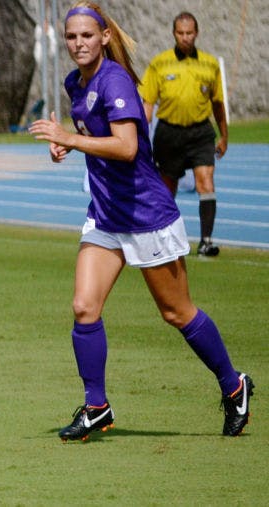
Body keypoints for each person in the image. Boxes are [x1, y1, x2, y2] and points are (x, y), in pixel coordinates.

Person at [28, 2, 252, 442]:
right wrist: (69, 146)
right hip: (107, 214)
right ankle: (96, 407)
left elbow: (128, 147)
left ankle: (233, 384)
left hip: (146, 214)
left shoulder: (116, 80)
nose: (78, 44)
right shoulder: (76, 81)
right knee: (83, 307)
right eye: (72, 37)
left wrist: (70, 138)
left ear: (105, 37)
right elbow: (97, 137)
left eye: (87, 36)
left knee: (176, 312)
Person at [139, 12, 228, 257]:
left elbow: (218, 103)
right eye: (181, 33)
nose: (185, 37)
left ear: (196, 33)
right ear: (174, 34)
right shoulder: (160, 63)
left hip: (200, 133)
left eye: (190, 33)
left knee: (206, 183)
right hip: (169, 134)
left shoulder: (209, 64)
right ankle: (164, 240)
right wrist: (141, 137)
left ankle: (206, 241)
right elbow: (148, 105)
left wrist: (224, 135)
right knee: (167, 190)